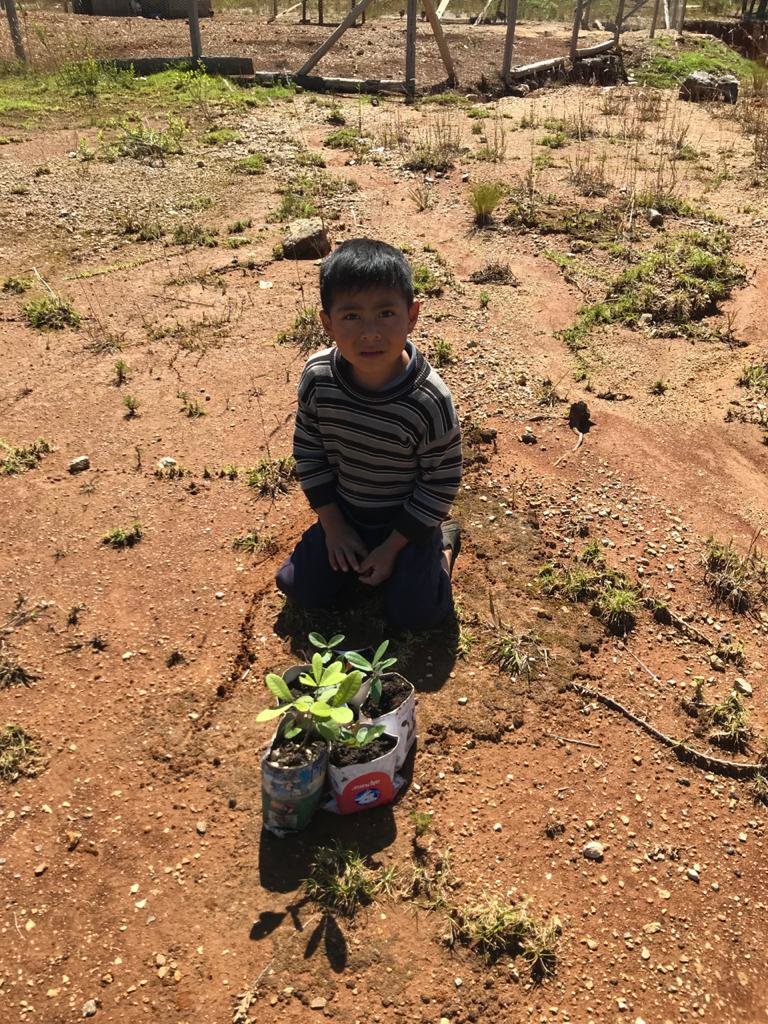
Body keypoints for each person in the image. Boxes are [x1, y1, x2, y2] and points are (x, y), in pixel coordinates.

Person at [275, 238, 462, 630]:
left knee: (416, 615)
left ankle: (441, 548)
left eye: (386, 312)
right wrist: (334, 526)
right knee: (297, 587)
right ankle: (355, 552)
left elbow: (440, 482)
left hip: (407, 522)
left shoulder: (429, 400)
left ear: (412, 315)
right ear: (327, 323)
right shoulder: (318, 378)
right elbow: (310, 454)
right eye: (352, 316)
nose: (370, 332)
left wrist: (394, 546)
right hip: (347, 513)